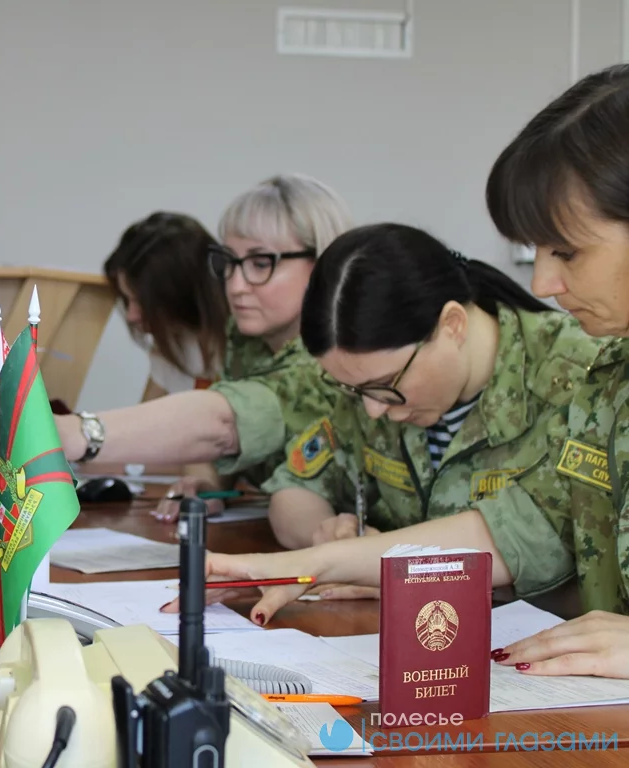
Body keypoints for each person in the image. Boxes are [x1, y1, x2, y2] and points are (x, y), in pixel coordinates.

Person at [167, 66, 629, 681]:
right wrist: (310, 564)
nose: (542, 282)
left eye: (565, 251)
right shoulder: (611, 376)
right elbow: (523, 526)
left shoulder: (577, 364)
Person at [257, 222, 598, 550]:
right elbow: (294, 490)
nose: (374, 410)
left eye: (386, 384)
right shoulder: (371, 387)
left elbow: (550, 546)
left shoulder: (581, 376)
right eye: (356, 390)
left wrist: (377, 556)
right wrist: (327, 537)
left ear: (453, 325)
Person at [58, 174, 351, 520]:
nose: (236, 285)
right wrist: (208, 481)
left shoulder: (336, 354)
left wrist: (76, 433)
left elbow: (225, 423)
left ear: (322, 264)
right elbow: (226, 445)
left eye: (260, 263)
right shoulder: (244, 340)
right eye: (229, 262)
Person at [104, 212, 228, 398]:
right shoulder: (172, 346)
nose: (131, 315)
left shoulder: (250, 351)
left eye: (142, 302)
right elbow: (147, 412)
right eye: (128, 300)